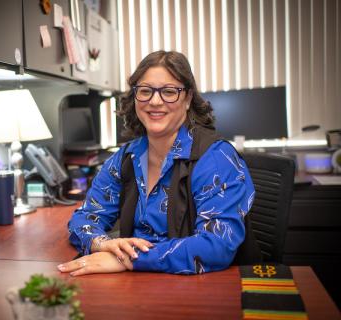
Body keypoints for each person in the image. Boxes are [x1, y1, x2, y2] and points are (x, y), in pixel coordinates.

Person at [58, 50, 255, 276]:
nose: (155, 101)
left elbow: (217, 246)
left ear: (188, 98)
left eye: (169, 92)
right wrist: (102, 244)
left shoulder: (216, 158)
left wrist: (128, 259)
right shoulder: (126, 157)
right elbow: (84, 217)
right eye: (145, 91)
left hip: (203, 288)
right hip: (140, 286)